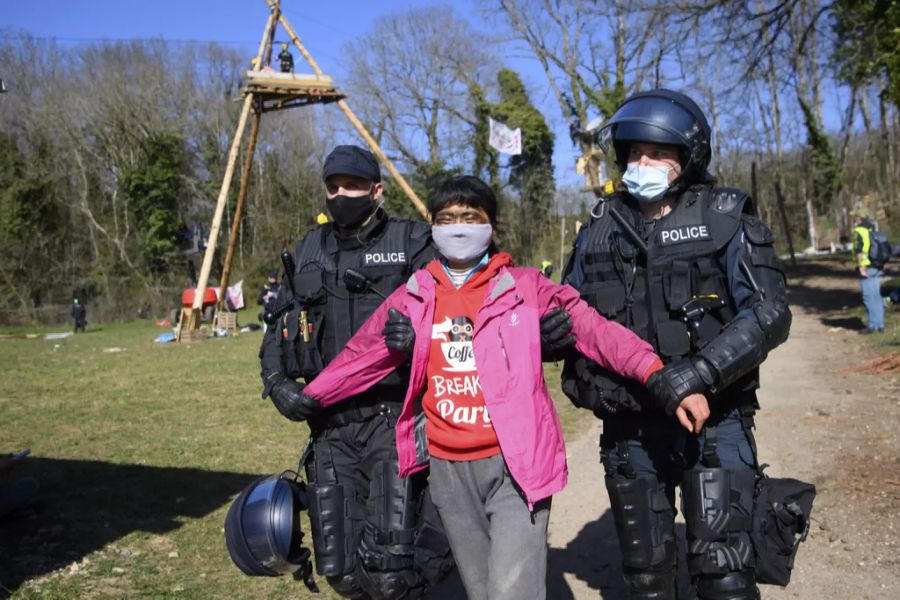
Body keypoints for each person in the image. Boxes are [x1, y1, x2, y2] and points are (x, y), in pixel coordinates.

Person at [269, 175, 705, 600]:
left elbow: (598, 331)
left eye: (469, 215)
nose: (458, 225)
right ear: (433, 228)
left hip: (514, 468)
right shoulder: (415, 293)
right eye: (446, 217)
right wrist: (311, 395)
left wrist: (657, 373)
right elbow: (362, 353)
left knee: (510, 592)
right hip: (447, 471)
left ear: (490, 226)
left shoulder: (526, 287)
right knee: (480, 590)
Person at [561, 89, 791, 599]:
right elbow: (569, 313)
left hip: (715, 419)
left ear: (688, 157)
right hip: (629, 427)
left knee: (723, 572)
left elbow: (770, 312)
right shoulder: (597, 230)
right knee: (646, 577)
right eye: (635, 153)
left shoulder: (726, 216)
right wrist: (549, 336)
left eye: (658, 153)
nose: (643, 163)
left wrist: (699, 374)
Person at [258, 145, 449, 599]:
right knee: (339, 570)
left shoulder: (412, 241)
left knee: (390, 569)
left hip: (393, 422)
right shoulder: (307, 250)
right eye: (333, 186)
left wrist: (420, 339)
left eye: (353, 185)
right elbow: (274, 331)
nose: (341, 194)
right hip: (329, 430)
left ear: (377, 190)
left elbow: (454, 317)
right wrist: (277, 384)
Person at [851, 209, 886, 334]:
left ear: (858, 217)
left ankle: (872, 325)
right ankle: (880, 324)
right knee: (876, 296)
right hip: (877, 265)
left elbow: (859, 250)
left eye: (854, 215)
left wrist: (861, 266)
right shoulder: (872, 229)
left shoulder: (858, 231)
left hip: (866, 267)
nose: (853, 218)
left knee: (868, 297)